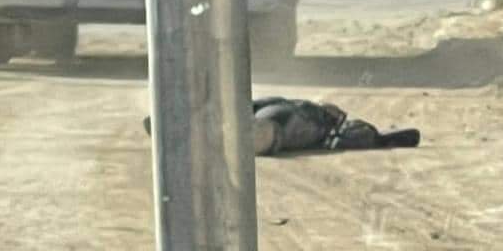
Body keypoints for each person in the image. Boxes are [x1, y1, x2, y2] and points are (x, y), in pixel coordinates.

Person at [145, 98, 421, 157]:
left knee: (266, 129)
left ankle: (196, 134)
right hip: (276, 121)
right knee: (264, 128)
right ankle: (199, 133)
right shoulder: (326, 126)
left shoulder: (327, 130)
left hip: (276, 124)